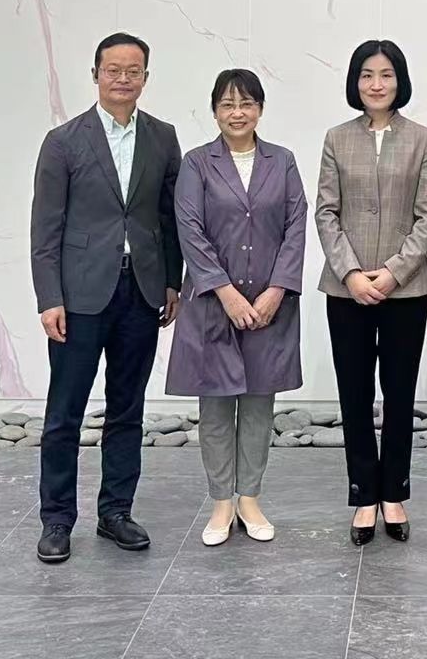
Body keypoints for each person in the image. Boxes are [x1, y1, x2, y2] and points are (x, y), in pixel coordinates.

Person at [30, 32, 182, 565]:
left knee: (127, 409)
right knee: (64, 412)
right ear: (95, 74)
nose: (123, 78)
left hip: (140, 291)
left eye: (133, 70)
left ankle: (116, 512)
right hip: (78, 296)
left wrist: (173, 281)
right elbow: (45, 228)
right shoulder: (64, 141)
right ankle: (56, 519)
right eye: (113, 69)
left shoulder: (163, 137)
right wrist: (49, 297)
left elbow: (169, 218)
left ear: (145, 77)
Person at [165, 69, 307, 547]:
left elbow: (296, 227)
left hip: (269, 307)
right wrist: (225, 292)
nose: (237, 113)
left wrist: (276, 290)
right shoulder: (196, 163)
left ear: (260, 109)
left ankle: (250, 498)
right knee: (216, 406)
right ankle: (221, 501)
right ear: (214, 111)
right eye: (227, 104)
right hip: (212, 306)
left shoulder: (282, 161)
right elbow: (189, 230)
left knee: (259, 405)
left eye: (246, 103)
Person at [316, 39, 427, 545]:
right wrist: (350, 274)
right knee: (354, 393)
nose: (376, 84)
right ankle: (364, 495)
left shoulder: (422, 138)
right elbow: (326, 212)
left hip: (405, 291)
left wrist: (392, 273)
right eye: (367, 74)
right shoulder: (336, 138)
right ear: (355, 81)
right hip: (345, 290)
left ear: (399, 80)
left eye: (386, 74)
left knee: (399, 393)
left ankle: (395, 494)